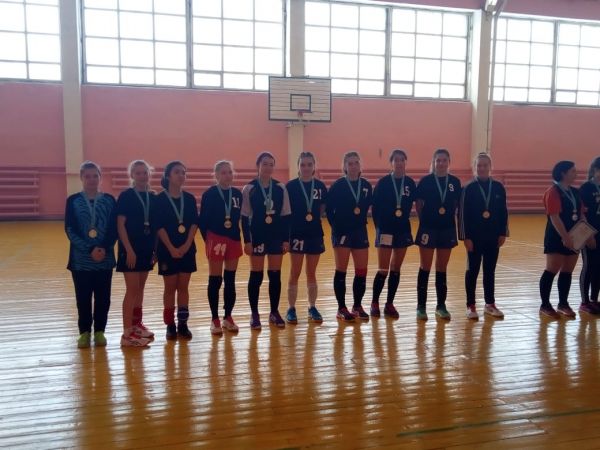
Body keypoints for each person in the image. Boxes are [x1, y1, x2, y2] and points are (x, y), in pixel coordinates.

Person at [65, 161, 117, 348]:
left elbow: (114, 228)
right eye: (87, 176)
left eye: (95, 175)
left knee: (103, 298)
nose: (92, 179)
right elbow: (70, 229)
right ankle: (84, 332)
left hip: (105, 258)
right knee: (83, 298)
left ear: (100, 178)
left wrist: (103, 247)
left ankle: (100, 331)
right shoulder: (73, 200)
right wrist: (90, 249)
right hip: (81, 261)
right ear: (81, 177)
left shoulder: (109, 200)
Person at [241, 152, 291, 330]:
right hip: (257, 236)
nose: (268, 167)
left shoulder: (280, 188)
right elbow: (244, 217)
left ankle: (274, 312)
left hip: (276, 236)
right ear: (258, 165)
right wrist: (247, 241)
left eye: (271, 164)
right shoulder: (249, 188)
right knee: (256, 275)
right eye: (265, 164)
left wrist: (286, 240)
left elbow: (286, 215)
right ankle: (254, 314)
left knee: (275, 275)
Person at [458, 152, 508, 320]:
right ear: (475, 167)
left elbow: (503, 212)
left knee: (489, 270)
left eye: (485, 165)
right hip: (474, 237)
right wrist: (465, 237)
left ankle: (490, 304)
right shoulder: (468, 188)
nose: (482, 168)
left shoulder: (498, 187)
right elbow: (462, 214)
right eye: (479, 165)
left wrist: (503, 233)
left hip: (493, 236)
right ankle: (470, 305)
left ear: (490, 167)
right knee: (472, 270)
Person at [414, 149, 462, 320]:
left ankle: (441, 305)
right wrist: (426, 221)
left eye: (444, 160)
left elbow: (456, 204)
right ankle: (421, 306)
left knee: (442, 268)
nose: (441, 163)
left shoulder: (455, 182)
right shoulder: (426, 181)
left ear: (449, 162)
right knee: (425, 267)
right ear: (434, 163)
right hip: (428, 228)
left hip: (447, 228)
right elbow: (418, 204)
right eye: (438, 160)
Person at [326, 151, 373, 322]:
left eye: (356, 163)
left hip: (360, 231)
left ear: (360, 165)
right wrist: (336, 228)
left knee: (362, 270)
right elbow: (328, 210)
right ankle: (341, 308)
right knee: (341, 270)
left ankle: (357, 306)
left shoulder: (366, 186)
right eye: (350, 163)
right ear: (345, 167)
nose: (353, 166)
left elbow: (367, 207)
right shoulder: (338, 185)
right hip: (342, 232)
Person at [199, 160, 243, 334]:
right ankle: (215, 319)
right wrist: (208, 240)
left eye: (230, 172)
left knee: (230, 280)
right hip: (215, 238)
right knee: (215, 280)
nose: (227, 175)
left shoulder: (237, 194)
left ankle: (228, 316)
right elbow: (203, 221)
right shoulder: (209, 194)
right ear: (216, 175)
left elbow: (239, 217)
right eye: (223, 172)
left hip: (233, 239)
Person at [371, 149, 416, 319]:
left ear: (405, 162)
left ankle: (389, 303)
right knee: (383, 269)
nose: (399, 163)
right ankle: (374, 302)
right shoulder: (383, 183)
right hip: (385, 229)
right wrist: (379, 228)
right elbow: (375, 208)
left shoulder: (410, 183)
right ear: (391, 163)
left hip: (402, 230)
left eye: (402, 160)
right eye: (396, 160)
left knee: (396, 268)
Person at [155, 161, 199, 339]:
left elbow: (194, 223)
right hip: (167, 250)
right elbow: (159, 226)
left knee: (183, 288)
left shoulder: (189, 198)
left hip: (186, 249)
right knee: (170, 288)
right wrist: (171, 248)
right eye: (177, 172)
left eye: (183, 172)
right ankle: (170, 325)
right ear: (168, 176)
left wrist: (187, 244)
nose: (181, 175)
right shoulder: (159, 199)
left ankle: (183, 324)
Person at [116, 160, 156, 347]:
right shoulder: (126, 196)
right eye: (138, 173)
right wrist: (128, 250)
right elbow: (120, 225)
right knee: (132, 289)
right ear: (132, 175)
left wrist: (155, 250)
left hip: (146, 249)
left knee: (140, 288)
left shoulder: (152, 196)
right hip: (130, 250)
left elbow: (154, 226)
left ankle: (136, 324)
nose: (142, 176)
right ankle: (126, 334)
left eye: (144, 172)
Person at [285, 151, 328, 324]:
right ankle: (291, 308)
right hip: (296, 233)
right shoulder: (291, 186)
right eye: (303, 164)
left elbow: (322, 207)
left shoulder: (320, 186)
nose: (306, 168)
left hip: (314, 233)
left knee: (311, 272)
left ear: (314, 166)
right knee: (295, 272)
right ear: (298, 167)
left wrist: (314, 217)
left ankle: (312, 306)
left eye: (309, 164)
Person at [539, 161, 581, 319]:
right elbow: (554, 217)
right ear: (563, 173)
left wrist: (586, 235)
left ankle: (563, 303)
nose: (576, 173)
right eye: (573, 171)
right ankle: (545, 305)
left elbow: (581, 214)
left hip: (574, 236)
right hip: (556, 237)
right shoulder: (553, 192)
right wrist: (565, 237)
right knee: (552, 269)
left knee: (567, 271)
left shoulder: (575, 192)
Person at [579, 157, 600, 315]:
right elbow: (581, 214)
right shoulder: (585, 188)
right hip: (590, 233)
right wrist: (588, 235)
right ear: (595, 170)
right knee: (589, 265)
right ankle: (584, 302)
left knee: (599, 266)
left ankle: (594, 299)